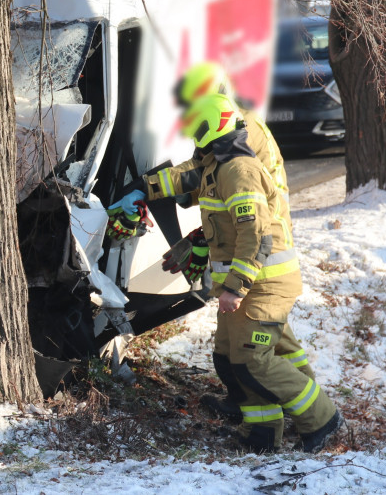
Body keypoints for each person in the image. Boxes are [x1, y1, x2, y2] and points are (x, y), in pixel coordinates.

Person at [111, 62, 311, 420]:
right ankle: (264, 409)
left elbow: (203, 179)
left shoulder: (242, 130)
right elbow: (201, 182)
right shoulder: (226, 127)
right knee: (265, 336)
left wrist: (146, 187)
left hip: (261, 249)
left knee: (262, 341)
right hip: (248, 245)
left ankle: (310, 412)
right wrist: (201, 233)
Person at [161, 93, 341, 452]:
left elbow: (256, 235)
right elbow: (200, 196)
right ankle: (261, 434)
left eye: (196, 124)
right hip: (246, 282)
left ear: (211, 125)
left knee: (253, 361)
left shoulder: (238, 170)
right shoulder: (217, 165)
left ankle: (322, 418)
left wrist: (236, 288)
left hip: (263, 283)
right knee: (230, 360)